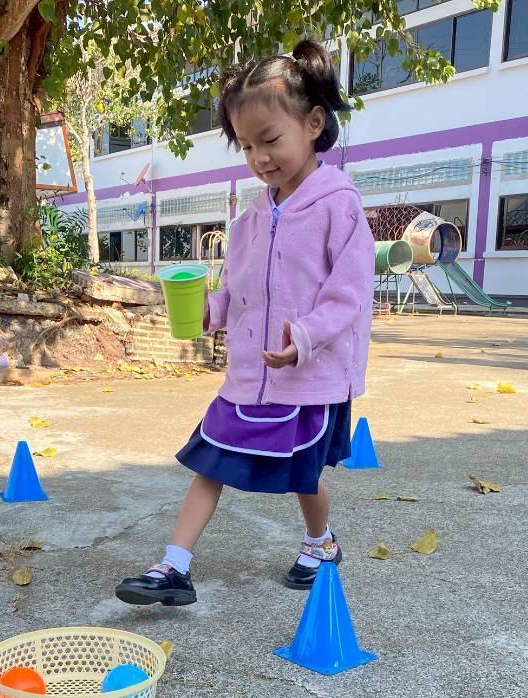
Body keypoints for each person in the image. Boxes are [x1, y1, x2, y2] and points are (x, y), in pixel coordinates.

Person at [115, 40, 374, 607]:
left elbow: (350, 292)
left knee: (305, 474)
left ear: (313, 123)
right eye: (247, 145)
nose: (260, 157)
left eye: (270, 139)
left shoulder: (339, 204)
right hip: (247, 376)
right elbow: (239, 291)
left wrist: (304, 338)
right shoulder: (251, 218)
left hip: (308, 377)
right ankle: (173, 565)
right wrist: (206, 310)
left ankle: (321, 543)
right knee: (209, 459)